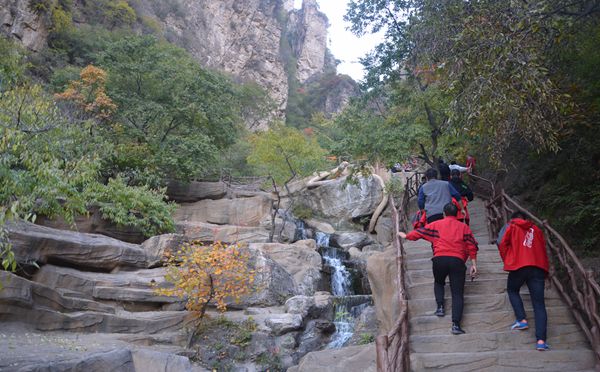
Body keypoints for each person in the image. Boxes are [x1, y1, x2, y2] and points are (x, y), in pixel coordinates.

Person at [398, 203, 478, 335]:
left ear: (444, 213)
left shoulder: (437, 224)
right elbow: (472, 246)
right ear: (456, 214)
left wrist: (406, 236)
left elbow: (420, 232)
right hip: (457, 260)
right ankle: (456, 325)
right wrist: (474, 264)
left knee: (439, 282)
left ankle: (440, 307)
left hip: (439, 259)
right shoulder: (464, 227)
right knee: (457, 294)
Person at [497, 211, 550, 351]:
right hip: (538, 267)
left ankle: (521, 319)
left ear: (512, 218)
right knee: (539, 304)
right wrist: (546, 270)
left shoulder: (511, 226)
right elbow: (543, 249)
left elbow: (501, 243)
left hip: (519, 266)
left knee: (512, 289)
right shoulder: (536, 229)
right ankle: (541, 341)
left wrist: (508, 259)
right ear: (525, 219)